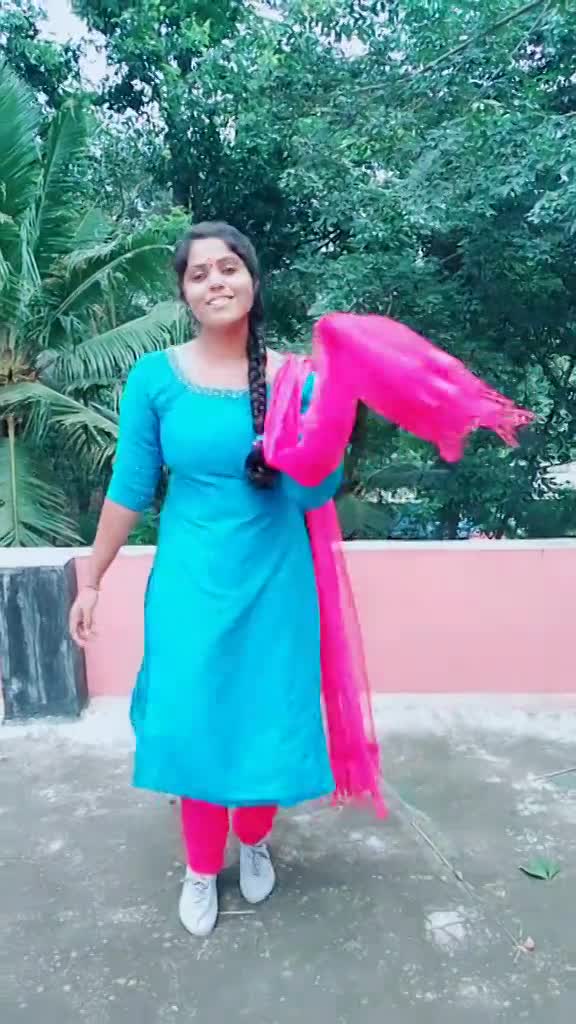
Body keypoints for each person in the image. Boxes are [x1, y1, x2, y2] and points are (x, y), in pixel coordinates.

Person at [69, 222, 343, 938]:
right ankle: (199, 867)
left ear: (253, 280)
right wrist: (92, 579)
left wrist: (321, 434)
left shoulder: (297, 380)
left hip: (276, 583)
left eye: (229, 268)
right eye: (199, 274)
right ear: (185, 294)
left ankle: (252, 839)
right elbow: (130, 487)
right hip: (190, 583)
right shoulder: (155, 378)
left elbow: (315, 495)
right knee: (193, 720)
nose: (216, 281)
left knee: (265, 716)